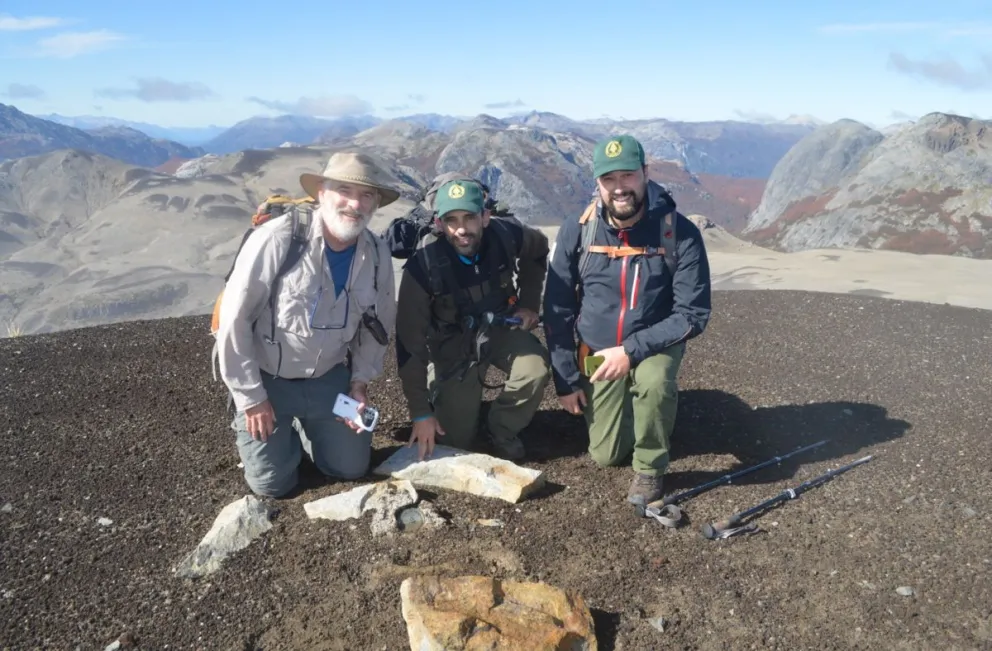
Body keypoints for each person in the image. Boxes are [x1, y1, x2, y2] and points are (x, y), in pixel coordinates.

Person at [214, 151, 399, 498]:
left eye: (366, 195)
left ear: (375, 204)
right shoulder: (278, 239)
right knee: (272, 486)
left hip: (328, 378)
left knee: (351, 469)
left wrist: (358, 384)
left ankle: (306, 430)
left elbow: (377, 325)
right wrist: (251, 398)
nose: (354, 204)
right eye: (344, 190)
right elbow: (234, 319)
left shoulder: (376, 253)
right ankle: (281, 427)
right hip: (268, 380)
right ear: (322, 193)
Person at [543, 135, 712, 506]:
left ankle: (651, 467)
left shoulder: (679, 233)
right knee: (606, 455)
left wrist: (631, 351)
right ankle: (648, 415)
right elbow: (556, 310)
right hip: (599, 351)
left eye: (628, 176)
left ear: (645, 174)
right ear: (597, 183)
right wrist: (566, 379)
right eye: (609, 179)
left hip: (654, 343)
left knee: (652, 381)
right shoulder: (579, 229)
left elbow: (692, 314)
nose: (620, 188)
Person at [395, 176, 551, 461]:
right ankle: (439, 386)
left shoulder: (506, 234)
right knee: (455, 441)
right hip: (453, 343)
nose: (462, 229)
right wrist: (420, 412)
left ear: (486, 217)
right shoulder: (424, 263)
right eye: (451, 220)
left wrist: (528, 304)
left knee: (534, 368)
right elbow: (410, 343)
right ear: (439, 224)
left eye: (469, 217)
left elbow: (538, 247)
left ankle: (502, 429)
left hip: (502, 326)